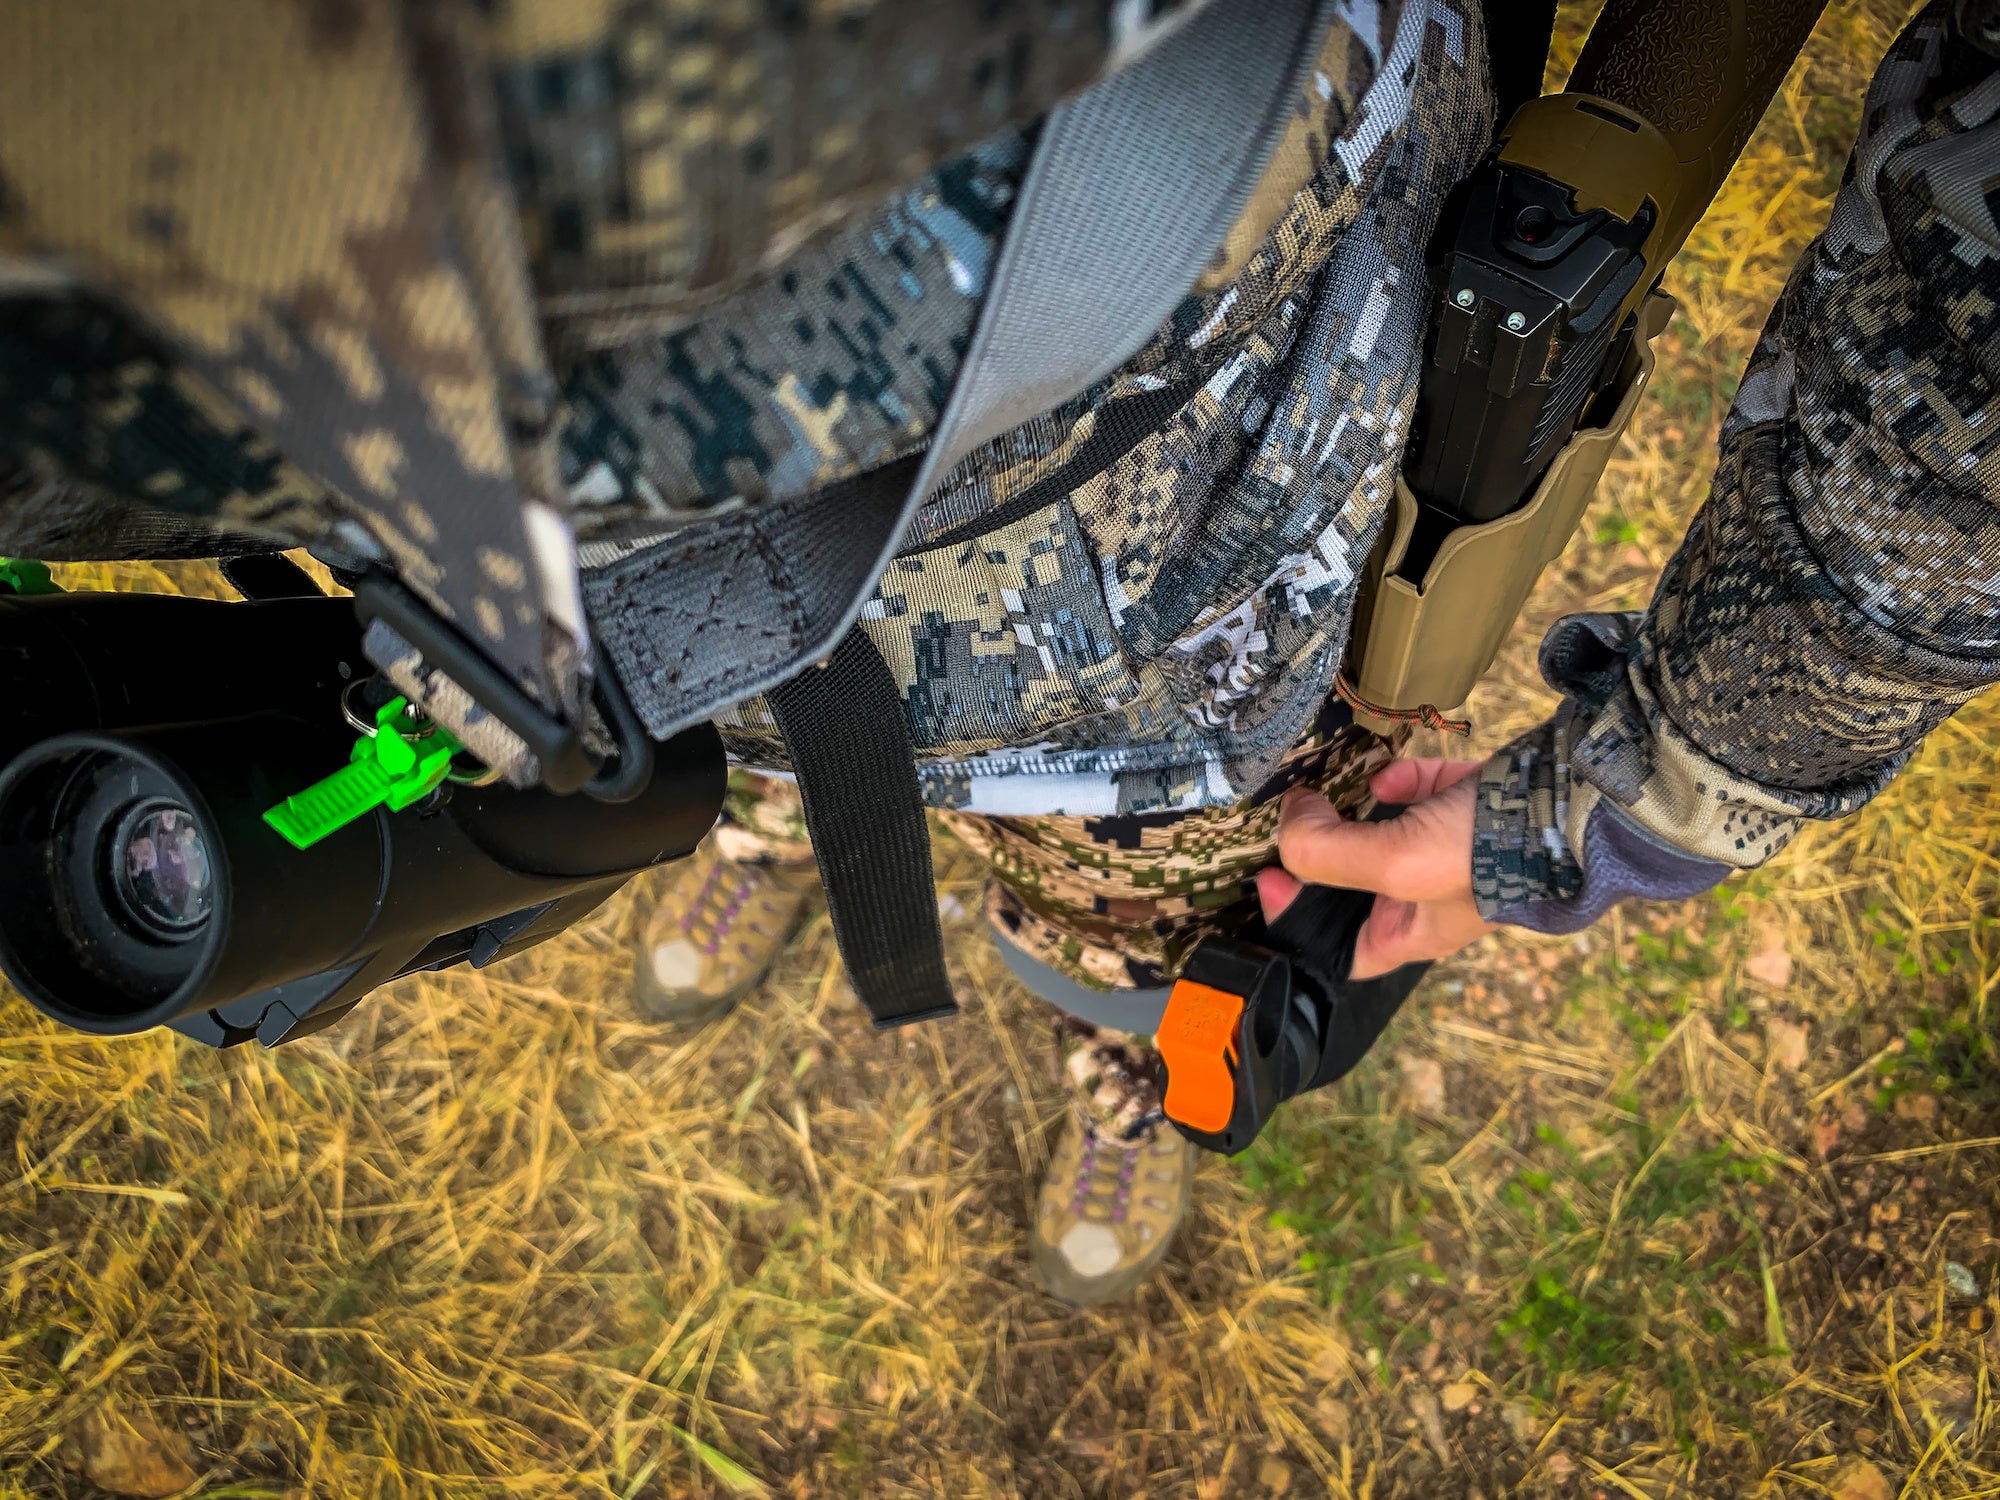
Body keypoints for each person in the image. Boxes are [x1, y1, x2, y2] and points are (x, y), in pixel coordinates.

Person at [633, 0, 2000, 1306]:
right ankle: (774, 832)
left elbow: (1965, 364)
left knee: (1165, 905)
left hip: (1213, 546)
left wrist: (1625, 807)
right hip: (677, 453)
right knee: (741, 712)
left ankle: (1131, 1073)